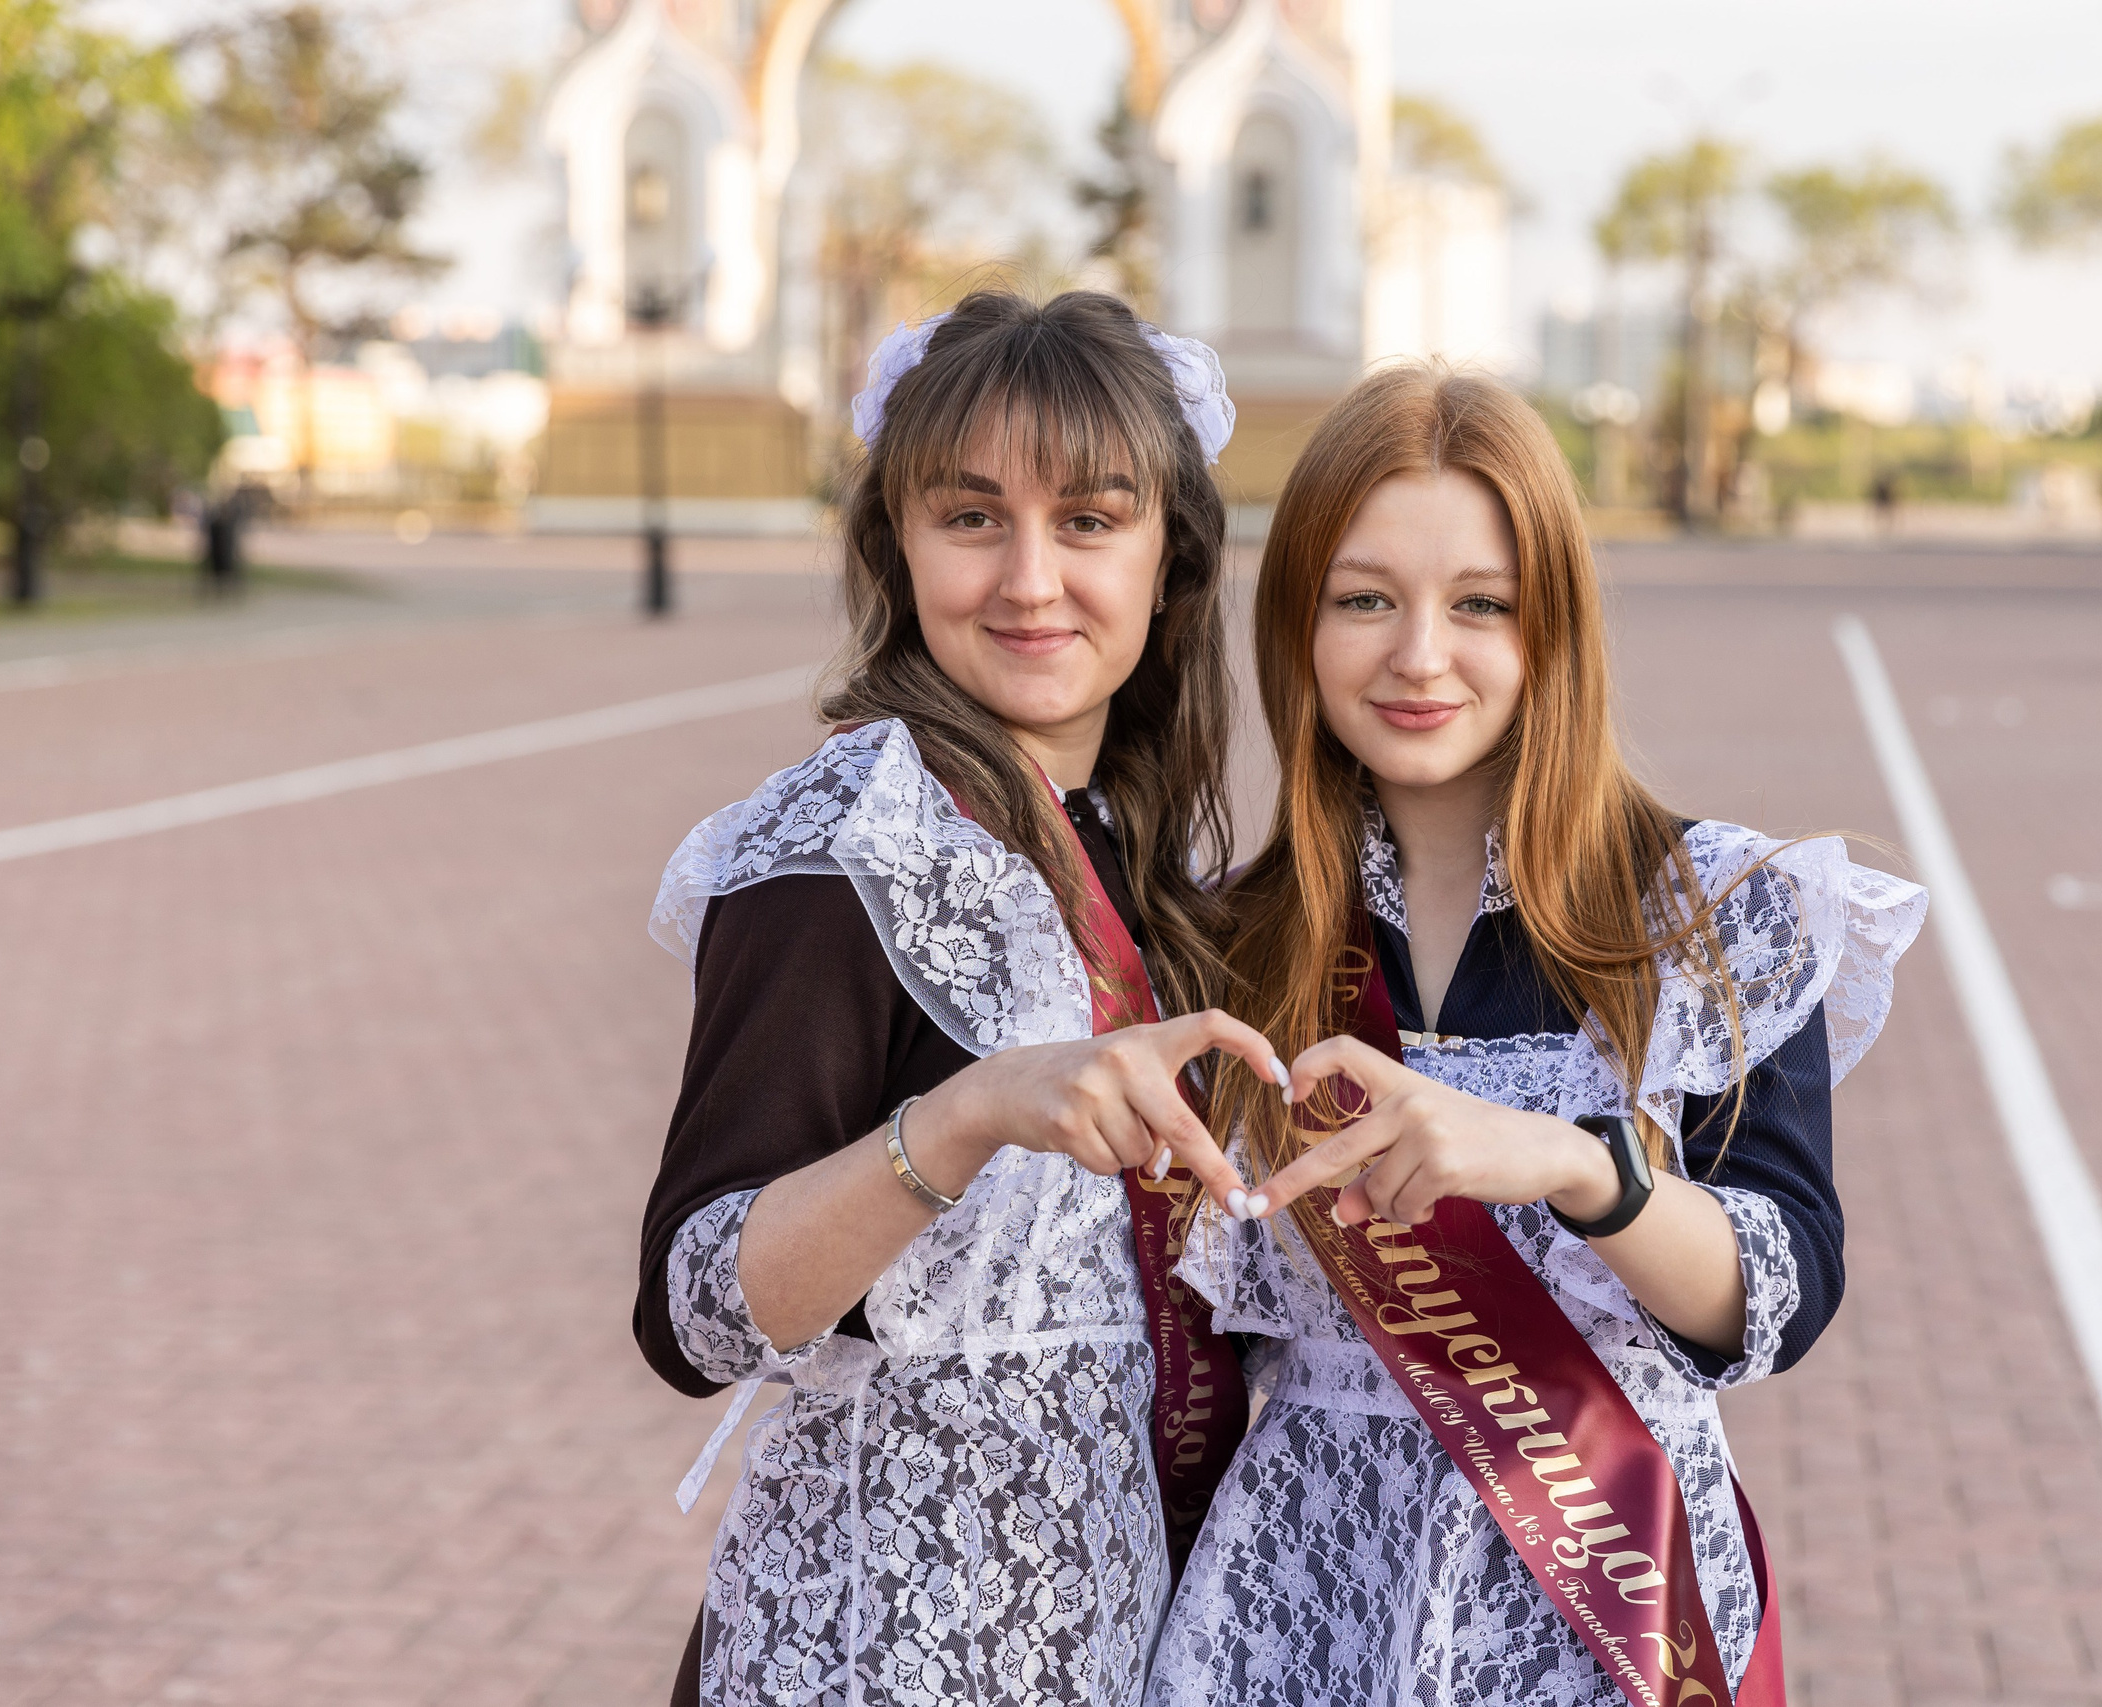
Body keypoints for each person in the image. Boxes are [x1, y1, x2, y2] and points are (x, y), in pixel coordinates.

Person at [1146, 367, 1927, 1706]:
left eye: (1481, 605)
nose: (1419, 655)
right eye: (1364, 599)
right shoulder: (1228, 939)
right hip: (1304, 1608)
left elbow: (1785, 1290)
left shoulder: (1713, 910)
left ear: (1552, 625)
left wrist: (1580, 1167)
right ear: (1297, 626)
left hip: (1606, 1612)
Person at [636, 289, 1290, 1707]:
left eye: (1089, 520)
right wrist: (964, 1114)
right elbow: (696, 1314)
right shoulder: (842, 851)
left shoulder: (1137, 847)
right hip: (881, 1650)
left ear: (1171, 559)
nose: (1030, 579)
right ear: (899, 544)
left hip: (1114, 1636)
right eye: (973, 516)